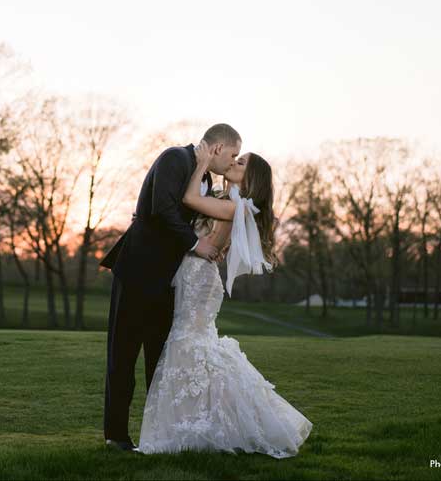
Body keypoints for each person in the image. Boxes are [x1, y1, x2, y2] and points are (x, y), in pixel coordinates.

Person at [137, 142, 313, 457]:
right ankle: (197, 422)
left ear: (252, 178)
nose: (234, 162)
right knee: (193, 345)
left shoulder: (237, 207)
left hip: (199, 276)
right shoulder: (231, 202)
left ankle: (195, 428)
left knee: (188, 344)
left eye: (241, 162)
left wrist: (202, 163)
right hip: (198, 274)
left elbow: (190, 198)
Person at [100, 124, 242, 452]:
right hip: (138, 270)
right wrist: (196, 245)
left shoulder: (203, 178)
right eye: (232, 155)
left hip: (170, 280)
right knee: (122, 355)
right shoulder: (174, 158)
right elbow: (160, 209)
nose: (232, 162)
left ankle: (160, 436)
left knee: (160, 359)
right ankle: (116, 435)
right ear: (218, 147)